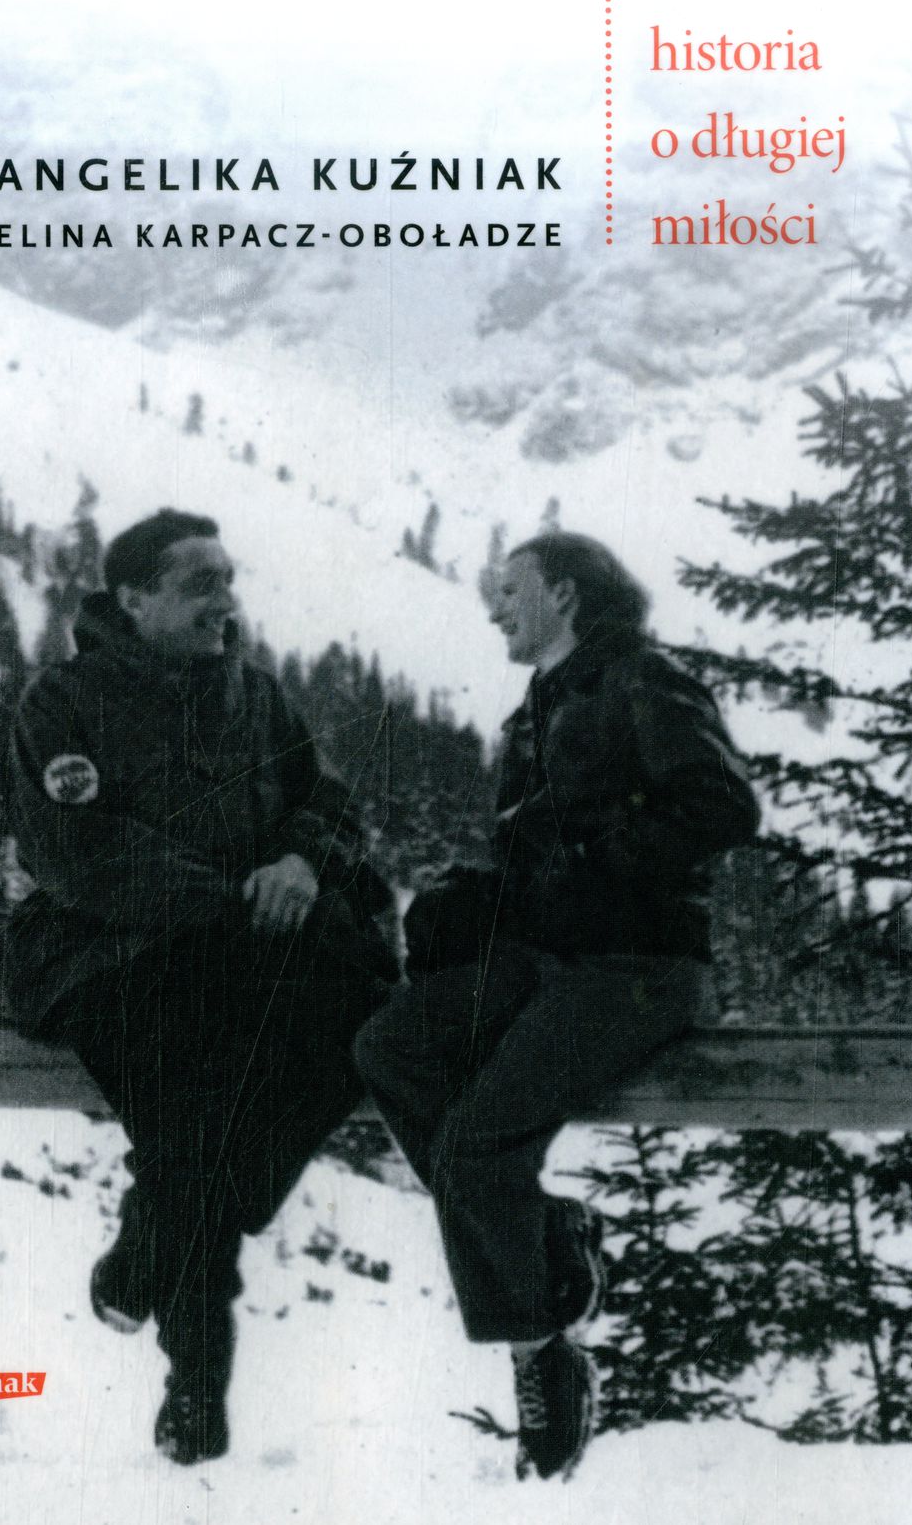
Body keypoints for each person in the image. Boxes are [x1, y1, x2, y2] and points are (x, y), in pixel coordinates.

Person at [354, 532, 759, 1482]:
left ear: (566, 594)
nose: (494, 607)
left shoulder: (642, 680)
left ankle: (539, 1353)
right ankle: (545, 1232)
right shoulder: (539, 705)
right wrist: (474, 898)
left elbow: (722, 806)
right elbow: (541, 855)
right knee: (391, 1047)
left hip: (640, 963)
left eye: (511, 589)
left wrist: (598, 866)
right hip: (550, 956)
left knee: (475, 1144)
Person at [4, 508, 395, 1466]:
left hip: (244, 954)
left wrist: (299, 862)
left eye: (228, 579)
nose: (226, 601)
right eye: (199, 585)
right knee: (191, 1115)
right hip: (111, 959)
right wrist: (235, 900)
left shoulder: (254, 696)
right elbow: (79, 852)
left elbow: (328, 801)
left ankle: (146, 1251)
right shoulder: (65, 704)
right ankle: (195, 1383)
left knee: (359, 1029)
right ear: (133, 600)